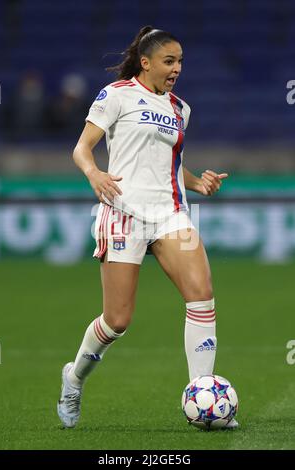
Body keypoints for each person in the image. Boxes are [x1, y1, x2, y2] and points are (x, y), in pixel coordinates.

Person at [57, 26, 238, 429]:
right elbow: (82, 147)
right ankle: (74, 377)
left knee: (202, 297)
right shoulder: (116, 94)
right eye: (169, 61)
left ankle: (202, 396)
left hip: (170, 214)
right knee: (117, 320)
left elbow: (168, 167)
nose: (176, 69)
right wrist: (94, 174)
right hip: (123, 211)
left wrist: (198, 182)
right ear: (146, 61)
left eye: (180, 62)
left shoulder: (180, 109)